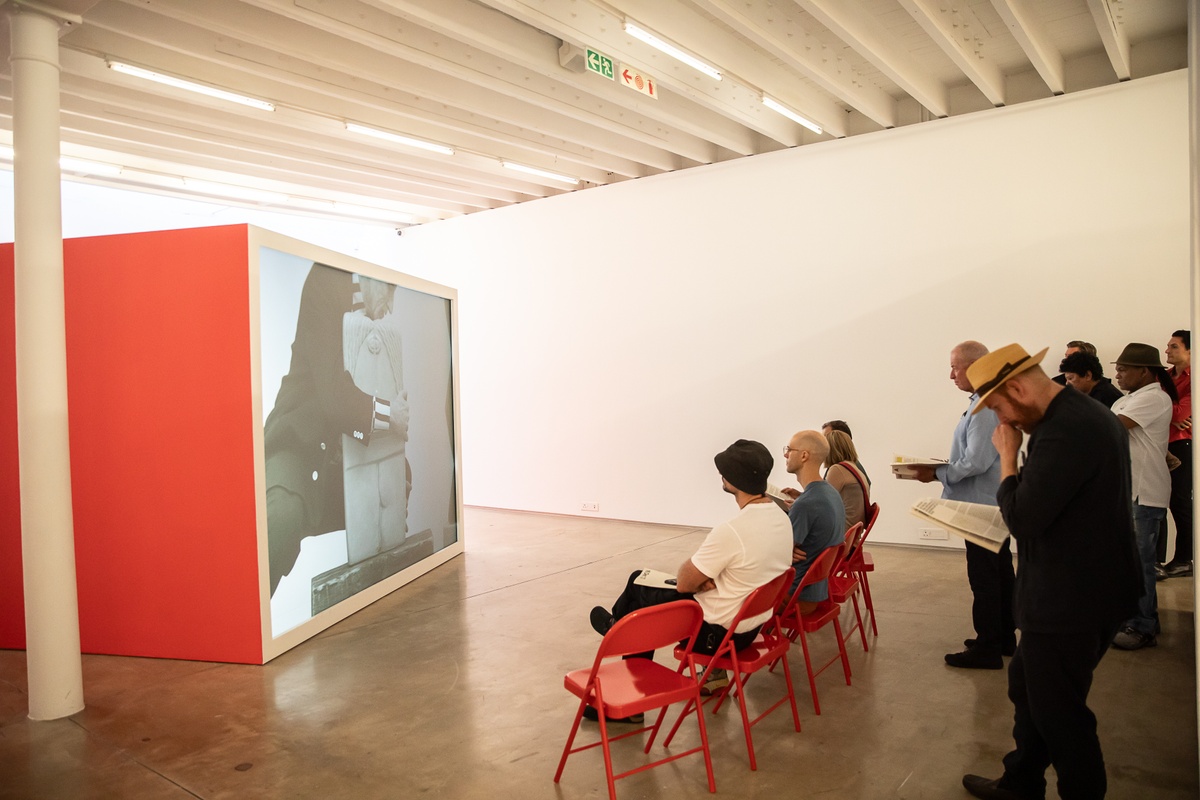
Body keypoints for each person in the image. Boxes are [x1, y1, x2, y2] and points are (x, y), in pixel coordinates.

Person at [960, 343, 1141, 800]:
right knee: (1029, 691)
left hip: (1070, 602)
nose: (1003, 422)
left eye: (999, 407)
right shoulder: (1080, 414)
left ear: (1018, 387)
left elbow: (1022, 518)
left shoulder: (1065, 431)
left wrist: (1006, 459)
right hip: (1086, 591)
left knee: (1061, 717)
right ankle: (1020, 781)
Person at [589, 439, 793, 667]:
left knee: (640, 589)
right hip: (751, 627)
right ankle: (619, 631)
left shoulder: (732, 531)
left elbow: (685, 584)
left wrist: (702, 578)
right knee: (640, 580)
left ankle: (619, 634)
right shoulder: (781, 519)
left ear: (734, 478)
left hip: (716, 637)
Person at [912, 341, 1014, 670]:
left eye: (955, 367)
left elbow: (976, 461)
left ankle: (987, 648)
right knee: (998, 574)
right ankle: (1002, 638)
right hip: (989, 503)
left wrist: (937, 472)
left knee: (985, 578)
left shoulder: (984, 406)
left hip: (981, 506)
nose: (951, 374)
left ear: (973, 367)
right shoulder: (981, 402)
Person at [1109, 343, 1176, 651]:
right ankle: (1144, 618)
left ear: (1144, 371)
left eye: (1123, 369)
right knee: (1133, 562)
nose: (1118, 374)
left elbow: (1111, 428)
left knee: (1140, 563)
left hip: (1144, 492)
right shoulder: (1132, 399)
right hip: (1131, 490)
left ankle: (1142, 626)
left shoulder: (1154, 397)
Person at [780, 430, 845, 609]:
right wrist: (786, 550)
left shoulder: (806, 505)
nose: (785, 454)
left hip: (796, 596)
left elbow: (775, 556)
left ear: (804, 456)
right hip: (816, 591)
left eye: (789, 449)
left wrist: (783, 551)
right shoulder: (829, 492)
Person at [1161, 330, 1192, 578]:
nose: (1167, 350)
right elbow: (1153, 405)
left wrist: (1167, 410)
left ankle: (1185, 559)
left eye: (1173, 346)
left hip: (1183, 445)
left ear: (1190, 350)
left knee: (1181, 502)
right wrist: (1172, 413)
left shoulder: (1196, 377)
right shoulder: (1166, 376)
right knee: (1163, 502)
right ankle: (1166, 558)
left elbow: (1182, 415)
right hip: (1163, 443)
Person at [823, 430, 870, 530]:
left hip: (842, 535)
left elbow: (822, 504)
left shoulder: (837, 470)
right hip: (853, 534)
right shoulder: (853, 467)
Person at [822, 419, 871, 484]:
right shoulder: (852, 465)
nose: (822, 443)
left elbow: (824, 493)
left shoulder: (839, 469)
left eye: (827, 438)